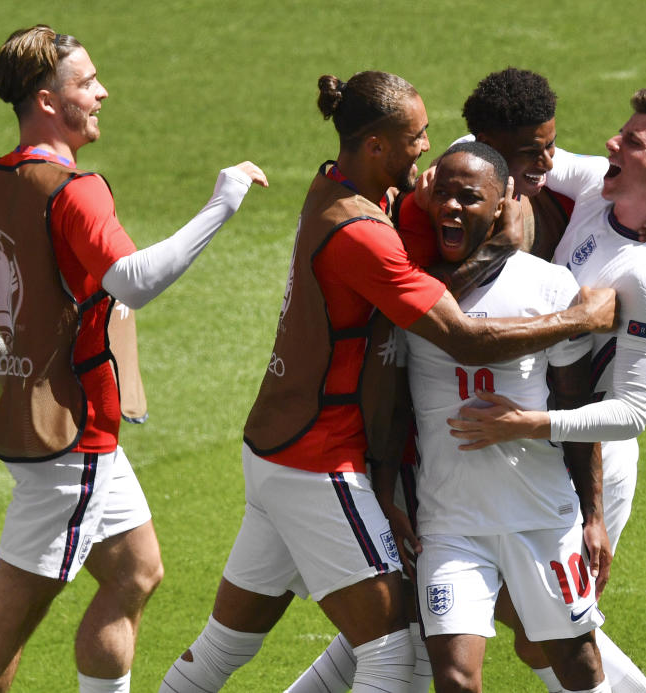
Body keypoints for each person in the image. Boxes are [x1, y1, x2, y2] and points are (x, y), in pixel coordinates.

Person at [158, 70, 617, 693]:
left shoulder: (345, 191)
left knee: (225, 646)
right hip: (318, 459)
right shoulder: (364, 234)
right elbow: (458, 335)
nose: (427, 148)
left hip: (275, 450)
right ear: (377, 147)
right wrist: (577, 318)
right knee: (391, 653)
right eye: (417, 137)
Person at [0, 25, 266, 693]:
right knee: (6, 624)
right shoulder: (76, 191)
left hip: (56, 433)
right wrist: (221, 203)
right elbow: (132, 279)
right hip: (72, 448)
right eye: (87, 82)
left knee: (135, 571)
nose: (103, 92)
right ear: (48, 100)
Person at [448, 88, 646, 693]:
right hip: (537, 448)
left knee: (548, 630)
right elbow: (488, 152)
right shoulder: (600, 184)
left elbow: (631, 414)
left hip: (594, 461)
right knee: (530, 623)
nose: (610, 143)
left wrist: (529, 426)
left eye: (633, 141)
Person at [402, 141, 613, 693]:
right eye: (441, 194)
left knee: (579, 664)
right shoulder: (410, 283)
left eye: (468, 197)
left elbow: (572, 402)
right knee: (454, 677)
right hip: (449, 523)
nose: (451, 207)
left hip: (542, 519)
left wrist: (592, 512)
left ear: (501, 207)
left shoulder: (547, 285)